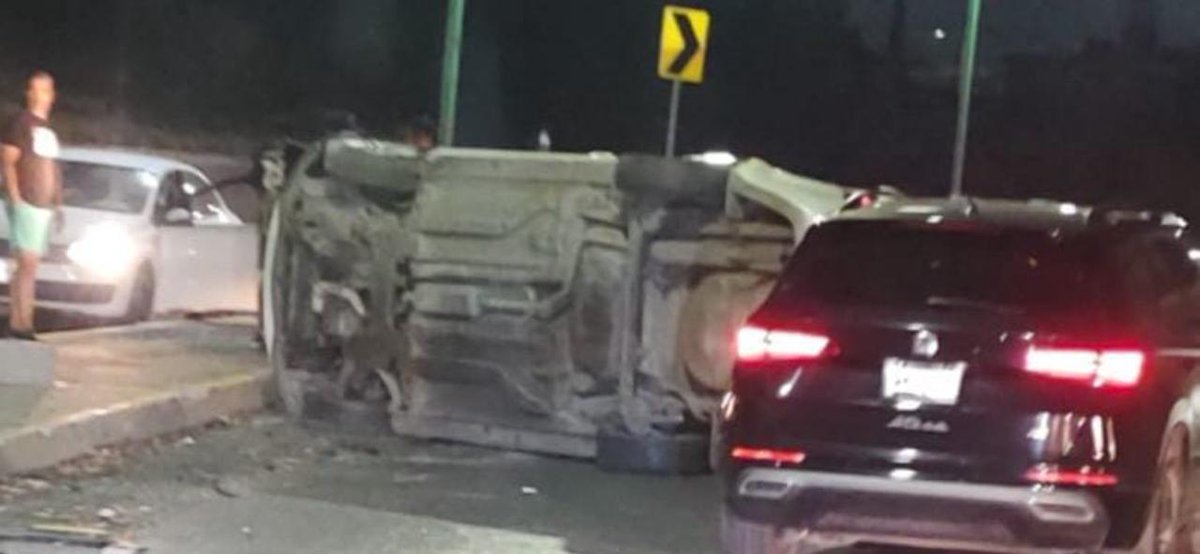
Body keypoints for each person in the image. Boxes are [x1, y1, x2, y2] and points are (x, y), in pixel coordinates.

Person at [3, 71, 61, 340]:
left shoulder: (47, 128)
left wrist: (56, 203)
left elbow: (50, 166)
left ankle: (24, 320)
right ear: (29, 93)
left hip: (42, 207)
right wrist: (15, 197)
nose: (41, 95)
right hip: (26, 202)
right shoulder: (20, 123)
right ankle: (20, 323)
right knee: (25, 262)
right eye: (36, 89)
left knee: (31, 264)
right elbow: (8, 160)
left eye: (46, 90)